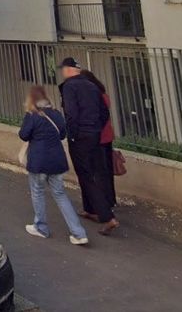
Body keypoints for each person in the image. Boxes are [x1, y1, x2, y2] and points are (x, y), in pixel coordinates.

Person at [18, 85, 88, 245]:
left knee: (37, 192)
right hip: (57, 160)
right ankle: (78, 233)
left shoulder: (32, 115)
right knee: (60, 194)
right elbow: (63, 134)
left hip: (39, 161)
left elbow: (23, 135)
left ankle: (41, 227)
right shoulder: (56, 114)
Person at [59, 57, 119, 235]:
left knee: (86, 175)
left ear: (69, 70)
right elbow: (103, 112)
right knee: (94, 172)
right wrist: (96, 128)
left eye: (64, 69)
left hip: (80, 137)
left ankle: (107, 217)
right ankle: (91, 209)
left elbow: (71, 113)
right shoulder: (92, 86)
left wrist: (73, 135)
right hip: (94, 135)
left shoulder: (70, 86)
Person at [81, 69, 116, 211]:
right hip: (107, 137)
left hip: (97, 139)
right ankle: (110, 199)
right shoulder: (104, 95)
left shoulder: (94, 98)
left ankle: (102, 205)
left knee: (97, 173)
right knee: (107, 171)